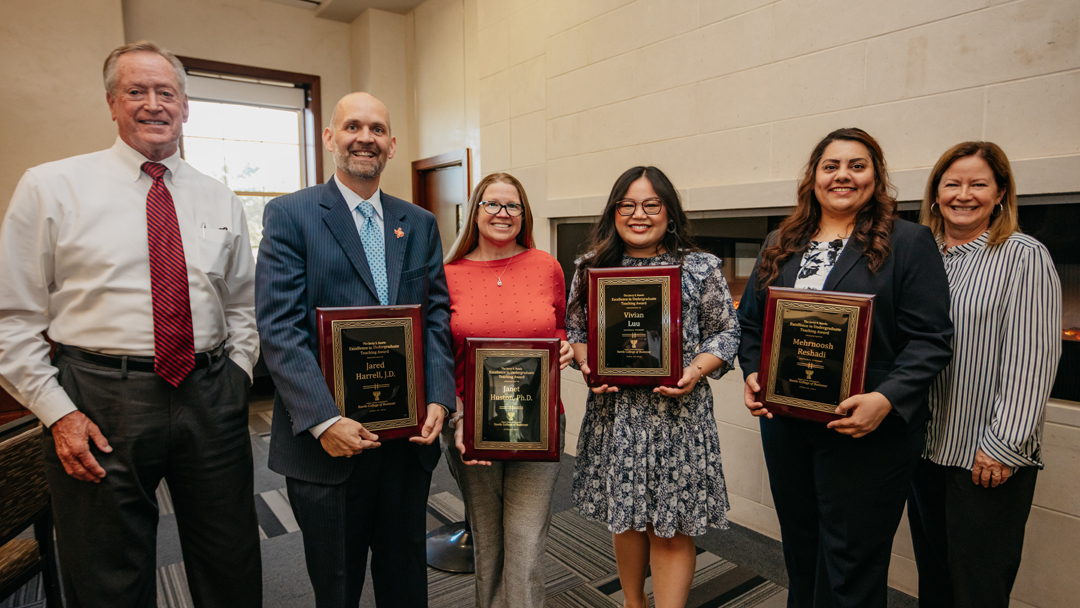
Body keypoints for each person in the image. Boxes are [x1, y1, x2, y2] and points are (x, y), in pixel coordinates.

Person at [0, 41, 261, 607]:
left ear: (185, 106)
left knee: (231, 560)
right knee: (108, 573)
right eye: (135, 91)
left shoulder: (219, 197)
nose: (153, 104)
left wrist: (236, 376)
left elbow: (243, 304)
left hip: (209, 393)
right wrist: (58, 413)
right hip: (98, 400)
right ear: (112, 104)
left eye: (166, 92)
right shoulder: (50, 187)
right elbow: (11, 319)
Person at [737, 127, 954, 608]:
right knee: (801, 545)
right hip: (787, 426)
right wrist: (753, 373)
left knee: (852, 561)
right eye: (831, 166)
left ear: (876, 177)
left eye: (857, 166)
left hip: (866, 428)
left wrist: (885, 399)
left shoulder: (910, 241)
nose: (843, 176)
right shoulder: (781, 240)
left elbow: (932, 340)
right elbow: (751, 325)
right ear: (813, 176)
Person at [255, 91, 454, 608]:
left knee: (405, 576)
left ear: (391, 144)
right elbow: (279, 329)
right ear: (330, 138)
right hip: (327, 445)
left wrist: (439, 396)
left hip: (406, 442)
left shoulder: (419, 223)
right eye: (352, 127)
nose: (364, 138)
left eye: (376, 129)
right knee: (337, 582)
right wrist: (324, 420)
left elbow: (434, 317)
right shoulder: (289, 215)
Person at [566, 166, 740, 608]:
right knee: (626, 518)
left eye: (651, 204)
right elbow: (577, 331)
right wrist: (590, 367)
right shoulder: (590, 268)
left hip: (677, 418)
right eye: (627, 204)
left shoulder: (699, 267)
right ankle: (632, 602)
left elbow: (726, 333)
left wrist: (696, 371)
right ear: (614, 211)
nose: (638, 214)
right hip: (617, 416)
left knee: (671, 525)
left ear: (669, 211)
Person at [908, 142, 1062, 608]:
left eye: (978, 184)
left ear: (1000, 194)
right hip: (925, 446)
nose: (963, 194)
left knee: (978, 588)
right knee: (934, 577)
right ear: (935, 194)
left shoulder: (1023, 256)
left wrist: (1003, 446)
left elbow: (1031, 360)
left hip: (985, 455)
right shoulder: (921, 255)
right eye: (952, 183)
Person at [440, 172, 574, 608]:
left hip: (538, 425)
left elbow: (559, 327)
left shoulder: (546, 265)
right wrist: (457, 417)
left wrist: (566, 346)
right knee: (488, 537)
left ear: (524, 213)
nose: (502, 213)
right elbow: (437, 354)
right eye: (492, 204)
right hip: (470, 427)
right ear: (475, 211)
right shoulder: (447, 274)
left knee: (527, 538)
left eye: (512, 205)